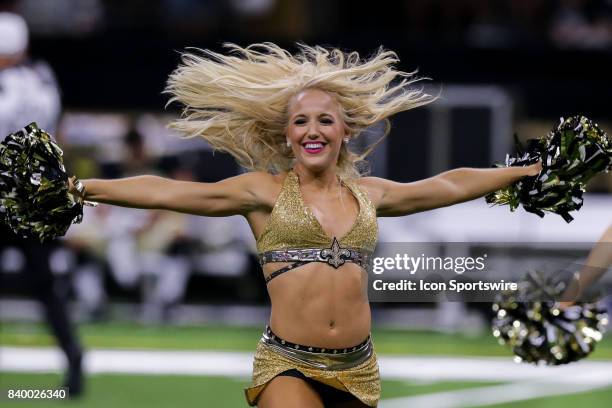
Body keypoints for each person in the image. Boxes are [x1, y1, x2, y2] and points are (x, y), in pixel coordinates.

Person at [67, 43, 541, 407]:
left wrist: (527, 173)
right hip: (287, 363)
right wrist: (78, 187)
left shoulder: (369, 195)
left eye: (325, 120)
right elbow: (169, 192)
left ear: (345, 130)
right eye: (301, 121)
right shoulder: (261, 192)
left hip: (359, 367)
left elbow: (448, 185)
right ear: (288, 133)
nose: (313, 130)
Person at [0, 11, 83, 396]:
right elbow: (57, 133)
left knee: (45, 283)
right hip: (34, 193)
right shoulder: (43, 77)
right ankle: (74, 359)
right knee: (46, 285)